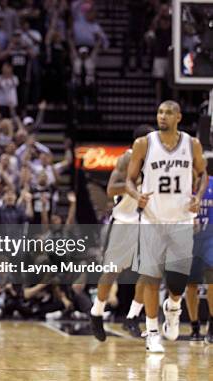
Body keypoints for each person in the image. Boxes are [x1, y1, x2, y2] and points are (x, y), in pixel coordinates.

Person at [126, 101, 207, 353]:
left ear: (179, 117)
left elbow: (203, 174)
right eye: (160, 112)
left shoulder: (191, 144)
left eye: (168, 112)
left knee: (178, 284)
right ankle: (152, 333)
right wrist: (135, 195)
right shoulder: (144, 144)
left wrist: (198, 196)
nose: (163, 116)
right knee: (151, 276)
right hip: (152, 218)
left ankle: (173, 307)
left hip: (181, 219)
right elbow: (129, 179)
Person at [90, 125, 155, 342]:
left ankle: (133, 316)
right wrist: (134, 184)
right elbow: (110, 189)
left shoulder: (156, 163)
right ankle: (97, 312)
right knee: (111, 272)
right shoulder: (126, 160)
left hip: (146, 222)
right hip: (124, 221)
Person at [184, 170, 213, 343]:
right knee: (191, 285)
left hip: (210, 238)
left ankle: (211, 323)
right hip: (190, 239)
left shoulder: (211, 183)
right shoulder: (183, 186)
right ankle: (194, 326)